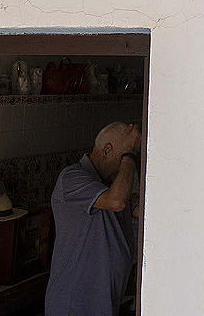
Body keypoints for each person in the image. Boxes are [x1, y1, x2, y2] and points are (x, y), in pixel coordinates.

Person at [45, 121, 141, 316]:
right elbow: (116, 202)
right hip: (75, 306)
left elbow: (143, 211)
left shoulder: (111, 184)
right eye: (122, 157)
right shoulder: (71, 178)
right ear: (107, 150)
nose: (125, 167)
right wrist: (129, 155)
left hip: (104, 303)